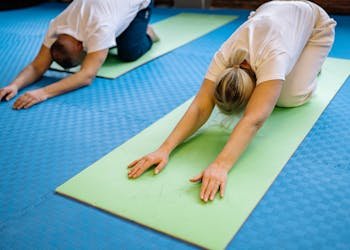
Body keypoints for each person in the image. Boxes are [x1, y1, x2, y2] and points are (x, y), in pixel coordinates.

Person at [127, 1, 336, 202]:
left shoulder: (274, 57)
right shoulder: (224, 55)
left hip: (314, 25)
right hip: (271, 12)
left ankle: (310, 68)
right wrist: (164, 148)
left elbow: (253, 119)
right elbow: (201, 106)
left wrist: (221, 165)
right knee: (274, 89)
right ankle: (292, 68)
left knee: (288, 99)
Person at [0, 0, 158, 109]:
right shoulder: (57, 26)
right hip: (108, 11)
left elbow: (86, 76)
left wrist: (43, 93)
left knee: (129, 53)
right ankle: (115, 37)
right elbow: (37, 67)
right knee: (104, 40)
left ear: (80, 46)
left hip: (140, 4)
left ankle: (148, 33)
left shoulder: (101, 27)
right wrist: (15, 85)